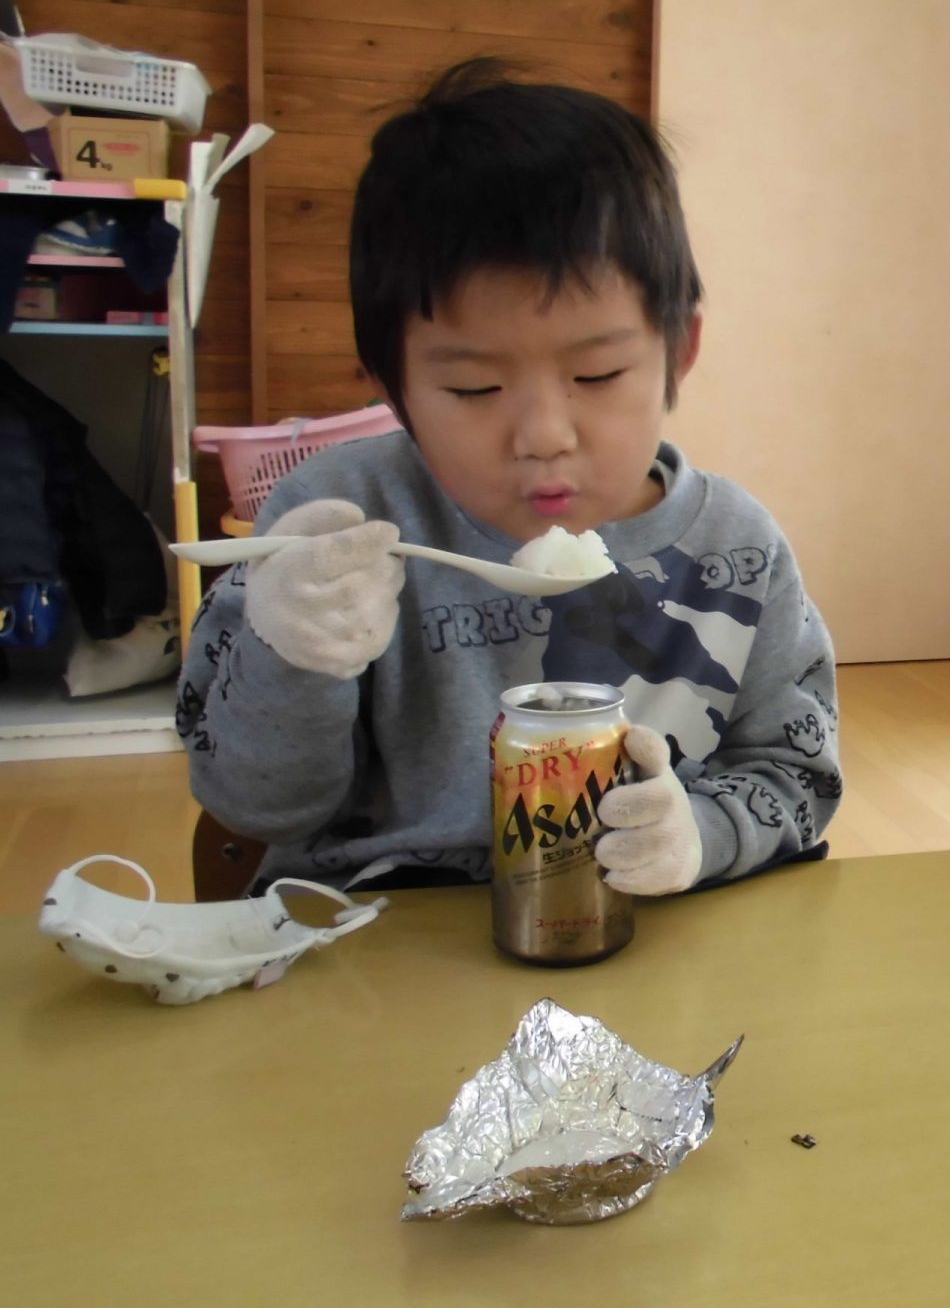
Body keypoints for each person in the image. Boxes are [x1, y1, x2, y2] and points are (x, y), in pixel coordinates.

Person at [179, 60, 841, 894]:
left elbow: (797, 775)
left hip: (658, 924)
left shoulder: (737, 548)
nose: (544, 437)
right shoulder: (334, 524)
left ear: (680, 352)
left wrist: (699, 836)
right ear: (392, 388)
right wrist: (292, 658)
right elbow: (255, 808)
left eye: (598, 375)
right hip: (385, 927)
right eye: (473, 389)